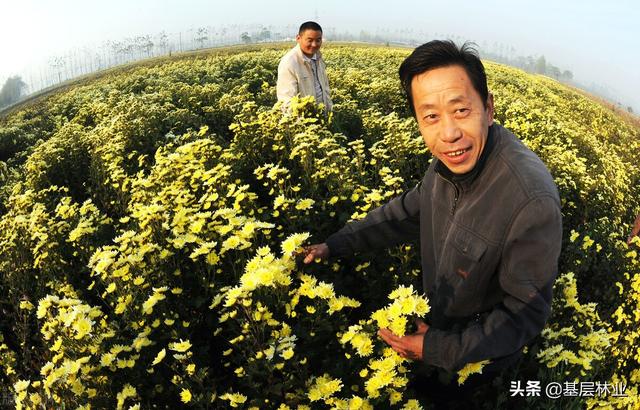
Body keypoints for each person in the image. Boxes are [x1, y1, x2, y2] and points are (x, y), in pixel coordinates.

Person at [302, 40, 562, 404]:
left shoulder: (530, 200)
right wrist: (336, 243)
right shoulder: (447, 165)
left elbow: (526, 312)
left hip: (475, 365)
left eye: (460, 110)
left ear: (488, 108)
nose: (449, 133)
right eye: (431, 116)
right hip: (433, 328)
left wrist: (438, 348)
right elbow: (408, 211)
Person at [276, 21, 332, 111]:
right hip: (304, 120)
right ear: (298, 38)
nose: (314, 45)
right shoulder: (289, 62)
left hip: (322, 116)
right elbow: (286, 100)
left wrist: (330, 112)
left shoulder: (318, 57)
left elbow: (325, 89)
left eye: (318, 40)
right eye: (310, 40)